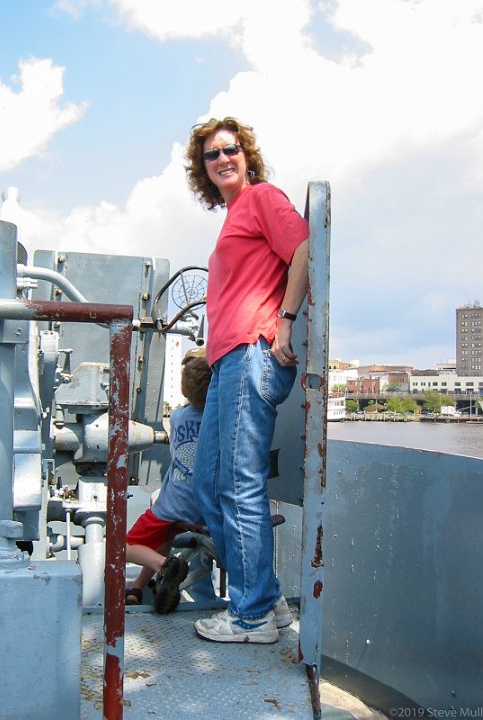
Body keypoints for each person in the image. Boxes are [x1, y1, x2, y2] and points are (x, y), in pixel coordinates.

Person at [184, 116, 310, 643]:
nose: (223, 158)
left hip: (252, 352)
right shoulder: (235, 214)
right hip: (226, 363)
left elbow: (303, 250)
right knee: (209, 484)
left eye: (230, 149)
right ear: (203, 169)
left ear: (247, 155)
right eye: (212, 154)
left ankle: (251, 615)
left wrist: (285, 320)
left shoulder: (261, 197)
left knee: (238, 483)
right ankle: (267, 598)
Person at [125, 351, 211, 613]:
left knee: (119, 547)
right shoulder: (220, 421)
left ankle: (164, 567)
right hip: (205, 512)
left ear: (184, 391)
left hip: (174, 507)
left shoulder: (176, 418)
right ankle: (137, 589)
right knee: (166, 534)